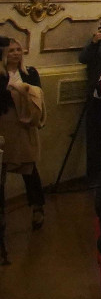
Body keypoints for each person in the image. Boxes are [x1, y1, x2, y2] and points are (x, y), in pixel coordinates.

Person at [0, 36, 48, 228]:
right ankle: (1, 212)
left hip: (24, 125)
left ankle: (37, 207)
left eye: (18, 50)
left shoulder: (30, 73)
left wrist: (21, 90)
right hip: (5, 124)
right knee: (1, 169)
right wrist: (15, 92)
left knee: (29, 167)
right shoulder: (1, 75)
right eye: (11, 50)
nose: (15, 54)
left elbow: (38, 95)